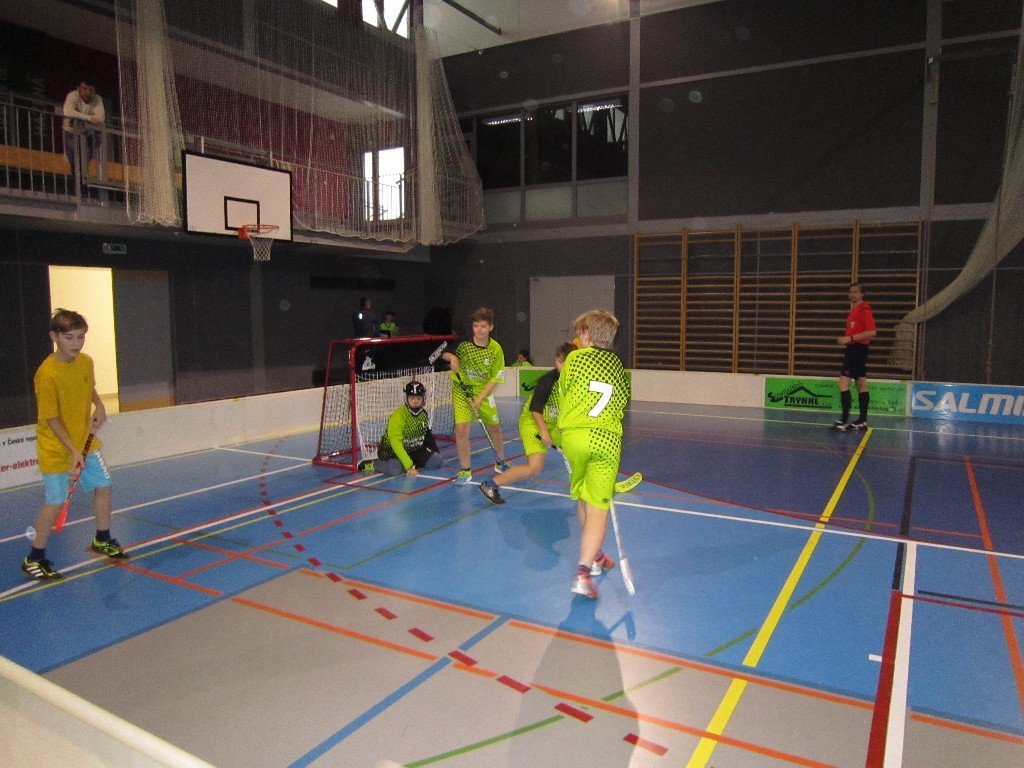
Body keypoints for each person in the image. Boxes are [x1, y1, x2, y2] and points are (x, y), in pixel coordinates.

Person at [22, 309, 128, 581]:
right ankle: (34, 558)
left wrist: (99, 405)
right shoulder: (47, 374)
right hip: (56, 449)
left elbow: (88, 387)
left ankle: (102, 539)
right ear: (54, 337)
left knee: (104, 486)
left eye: (81, 337)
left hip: (85, 442)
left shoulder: (85, 362)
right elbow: (51, 419)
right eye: (69, 337)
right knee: (56, 501)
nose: (76, 343)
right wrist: (72, 450)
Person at [558, 309, 630, 599]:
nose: (577, 339)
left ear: (587, 335)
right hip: (606, 441)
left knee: (583, 498)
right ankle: (583, 573)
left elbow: (565, 390)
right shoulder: (618, 366)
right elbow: (621, 401)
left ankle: (596, 556)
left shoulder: (574, 359)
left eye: (579, 334)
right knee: (598, 507)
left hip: (574, 438)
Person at [479, 342, 575, 505]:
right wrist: (544, 433)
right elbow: (535, 410)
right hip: (533, 422)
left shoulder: (576, 382)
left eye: (566, 363)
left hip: (554, 423)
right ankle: (490, 485)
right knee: (535, 467)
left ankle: (579, 484)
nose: (562, 367)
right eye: (559, 362)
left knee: (576, 448)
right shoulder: (548, 381)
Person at [441, 307, 507, 485]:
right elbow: (443, 352)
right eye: (476, 326)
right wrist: (452, 358)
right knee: (462, 429)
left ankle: (500, 461)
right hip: (461, 391)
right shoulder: (463, 342)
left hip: (483, 392)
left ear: (491, 327)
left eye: (483, 326)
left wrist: (479, 399)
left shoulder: (496, 349)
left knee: (494, 429)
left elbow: (495, 378)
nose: (479, 330)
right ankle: (465, 470)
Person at [831, 282, 877, 431]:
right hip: (855, 349)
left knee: (843, 383)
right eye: (850, 292)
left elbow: (872, 332)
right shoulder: (854, 310)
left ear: (862, 294)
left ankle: (844, 421)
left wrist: (848, 339)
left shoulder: (864, 310)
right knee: (861, 384)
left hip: (857, 349)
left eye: (856, 292)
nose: (852, 294)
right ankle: (862, 421)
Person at [375, 381, 445, 476]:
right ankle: (374, 463)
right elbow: (396, 444)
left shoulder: (423, 414)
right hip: (392, 452)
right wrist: (409, 466)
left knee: (437, 461)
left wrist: (435, 452)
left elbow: (427, 435)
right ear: (407, 399)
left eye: (418, 398)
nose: (415, 401)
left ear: (423, 399)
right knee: (395, 470)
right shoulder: (398, 416)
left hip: (414, 450)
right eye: (412, 398)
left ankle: (406, 462)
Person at [62, 79, 105, 195]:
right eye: (85, 89)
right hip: (71, 132)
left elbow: (100, 118)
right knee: (75, 159)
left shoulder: (97, 99)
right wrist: (90, 118)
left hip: (87, 135)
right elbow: (67, 111)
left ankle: (82, 188)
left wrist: (81, 117)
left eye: (91, 90)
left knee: (84, 162)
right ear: (78, 89)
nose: (88, 92)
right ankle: (78, 188)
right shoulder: (73, 95)